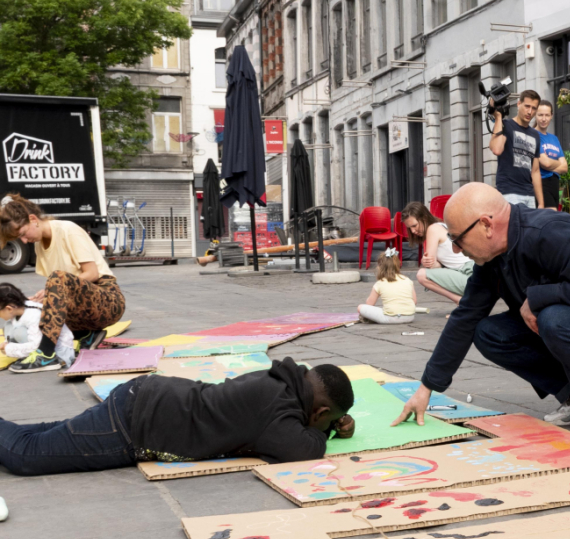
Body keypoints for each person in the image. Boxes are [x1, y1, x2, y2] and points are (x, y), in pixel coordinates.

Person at [391, 182, 570, 436]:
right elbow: (465, 318)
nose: (456, 249)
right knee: (488, 332)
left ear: (486, 224)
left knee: (552, 318)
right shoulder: (492, 259)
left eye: (458, 239)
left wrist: (537, 297)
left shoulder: (550, 232)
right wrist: (426, 388)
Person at [0, 358, 355, 476]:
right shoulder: (277, 414)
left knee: (48, 437)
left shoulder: (281, 381)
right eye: (326, 420)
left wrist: (329, 425)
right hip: (134, 425)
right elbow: (303, 450)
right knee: (25, 456)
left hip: (145, 399)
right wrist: (330, 434)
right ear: (320, 411)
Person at [0, 193, 125, 372]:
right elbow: (61, 292)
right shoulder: (39, 245)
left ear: (33, 219)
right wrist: (42, 297)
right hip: (84, 306)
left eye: (23, 234)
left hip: (108, 299)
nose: (25, 241)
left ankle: (46, 354)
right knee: (38, 308)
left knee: (56, 280)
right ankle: (88, 335)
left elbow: (92, 273)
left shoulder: (67, 229)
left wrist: (54, 289)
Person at [403, 201, 474, 304]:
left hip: (469, 274)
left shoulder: (432, 229)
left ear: (424, 218)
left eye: (414, 225)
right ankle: (464, 304)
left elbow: (431, 267)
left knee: (422, 275)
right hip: (471, 273)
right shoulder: (441, 225)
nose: (413, 231)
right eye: (410, 228)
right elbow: (436, 266)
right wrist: (430, 262)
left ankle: (462, 302)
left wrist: (427, 262)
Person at [489, 89, 544, 209]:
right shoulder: (505, 125)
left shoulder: (535, 135)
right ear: (519, 104)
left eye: (534, 108)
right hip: (509, 191)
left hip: (529, 194)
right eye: (527, 106)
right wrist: (498, 117)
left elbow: (535, 171)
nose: (530, 111)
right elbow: (496, 149)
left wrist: (540, 203)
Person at [0, 283, 76, 368]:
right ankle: (25, 355)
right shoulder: (19, 309)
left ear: (9, 308)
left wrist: (8, 347)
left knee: (18, 332)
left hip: (57, 352)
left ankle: (47, 361)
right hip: (37, 342)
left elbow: (37, 345)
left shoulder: (33, 315)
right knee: (9, 326)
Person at [358, 247, 416, 324]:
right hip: (410, 317)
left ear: (380, 267)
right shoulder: (407, 280)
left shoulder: (380, 283)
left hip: (390, 318)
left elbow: (370, 304)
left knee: (360, 307)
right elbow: (414, 301)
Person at [535, 100, 567, 211]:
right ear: (535, 115)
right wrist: (558, 164)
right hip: (542, 183)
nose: (544, 119)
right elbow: (546, 163)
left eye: (547, 115)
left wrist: (551, 164)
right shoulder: (533, 135)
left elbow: (565, 167)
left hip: (555, 184)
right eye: (540, 115)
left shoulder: (554, 138)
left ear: (552, 116)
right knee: (550, 218)